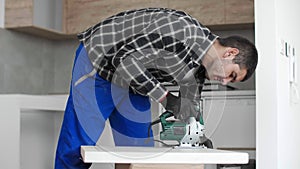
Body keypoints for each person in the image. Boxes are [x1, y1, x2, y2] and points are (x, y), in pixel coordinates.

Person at [55, 7, 258, 169]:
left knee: (140, 152)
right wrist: (167, 99)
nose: (224, 82)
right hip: (100, 63)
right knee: (78, 145)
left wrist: (197, 134)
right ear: (230, 53)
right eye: (231, 74)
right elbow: (123, 61)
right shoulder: (181, 31)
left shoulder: (198, 70)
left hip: (133, 83)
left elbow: (189, 107)